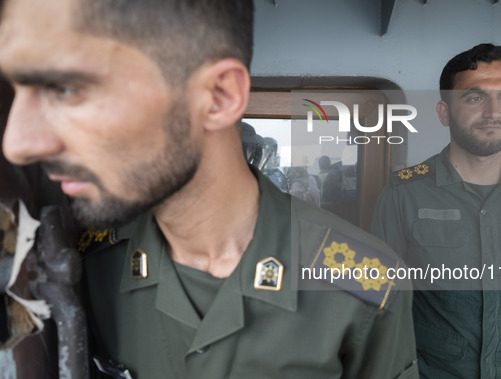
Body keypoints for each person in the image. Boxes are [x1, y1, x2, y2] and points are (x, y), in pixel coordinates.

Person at [0, 0, 418, 378]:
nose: (17, 142)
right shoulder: (85, 264)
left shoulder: (365, 285)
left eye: (68, 89)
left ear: (218, 96)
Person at [372, 44, 501, 378]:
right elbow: (379, 308)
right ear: (445, 112)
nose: (493, 111)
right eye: (474, 98)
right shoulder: (404, 195)